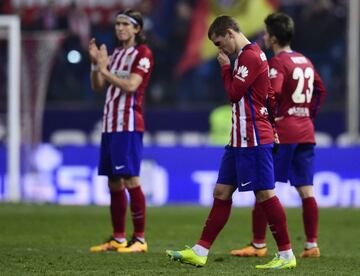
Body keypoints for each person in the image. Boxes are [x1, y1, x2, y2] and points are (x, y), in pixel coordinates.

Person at [166, 15, 296, 270]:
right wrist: (275, 126)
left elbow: (234, 93)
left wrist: (225, 67)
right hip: (239, 139)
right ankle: (200, 251)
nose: (220, 49)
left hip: (253, 138)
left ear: (229, 33)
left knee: (265, 194)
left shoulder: (249, 55)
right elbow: (269, 96)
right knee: (221, 193)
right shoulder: (250, 57)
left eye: (219, 42)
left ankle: (286, 254)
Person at [230, 12, 327, 259]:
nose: (263, 36)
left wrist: (275, 117)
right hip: (306, 131)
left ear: (272, 38)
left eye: (265, 33)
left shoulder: (278, 63)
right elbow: (320, 90)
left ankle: (258, 244)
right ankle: (311, 244)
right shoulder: (305, 60)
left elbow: (274, 92)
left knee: (264, 188)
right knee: (306, 191)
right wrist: (306, 114)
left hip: (284, 132)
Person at [88, 9, 154, 253]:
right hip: (109, 124)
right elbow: (97, 86)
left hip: (128, 124)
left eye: (125, 24)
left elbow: (131, 85)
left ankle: (139, 239)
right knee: (114, 182)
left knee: (130, 178)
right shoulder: (115, 54)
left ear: (137, 29)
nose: (120, 28)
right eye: (117, 24)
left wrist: (105, 70)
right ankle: (117, 238)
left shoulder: (143, 53)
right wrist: (96, 65)